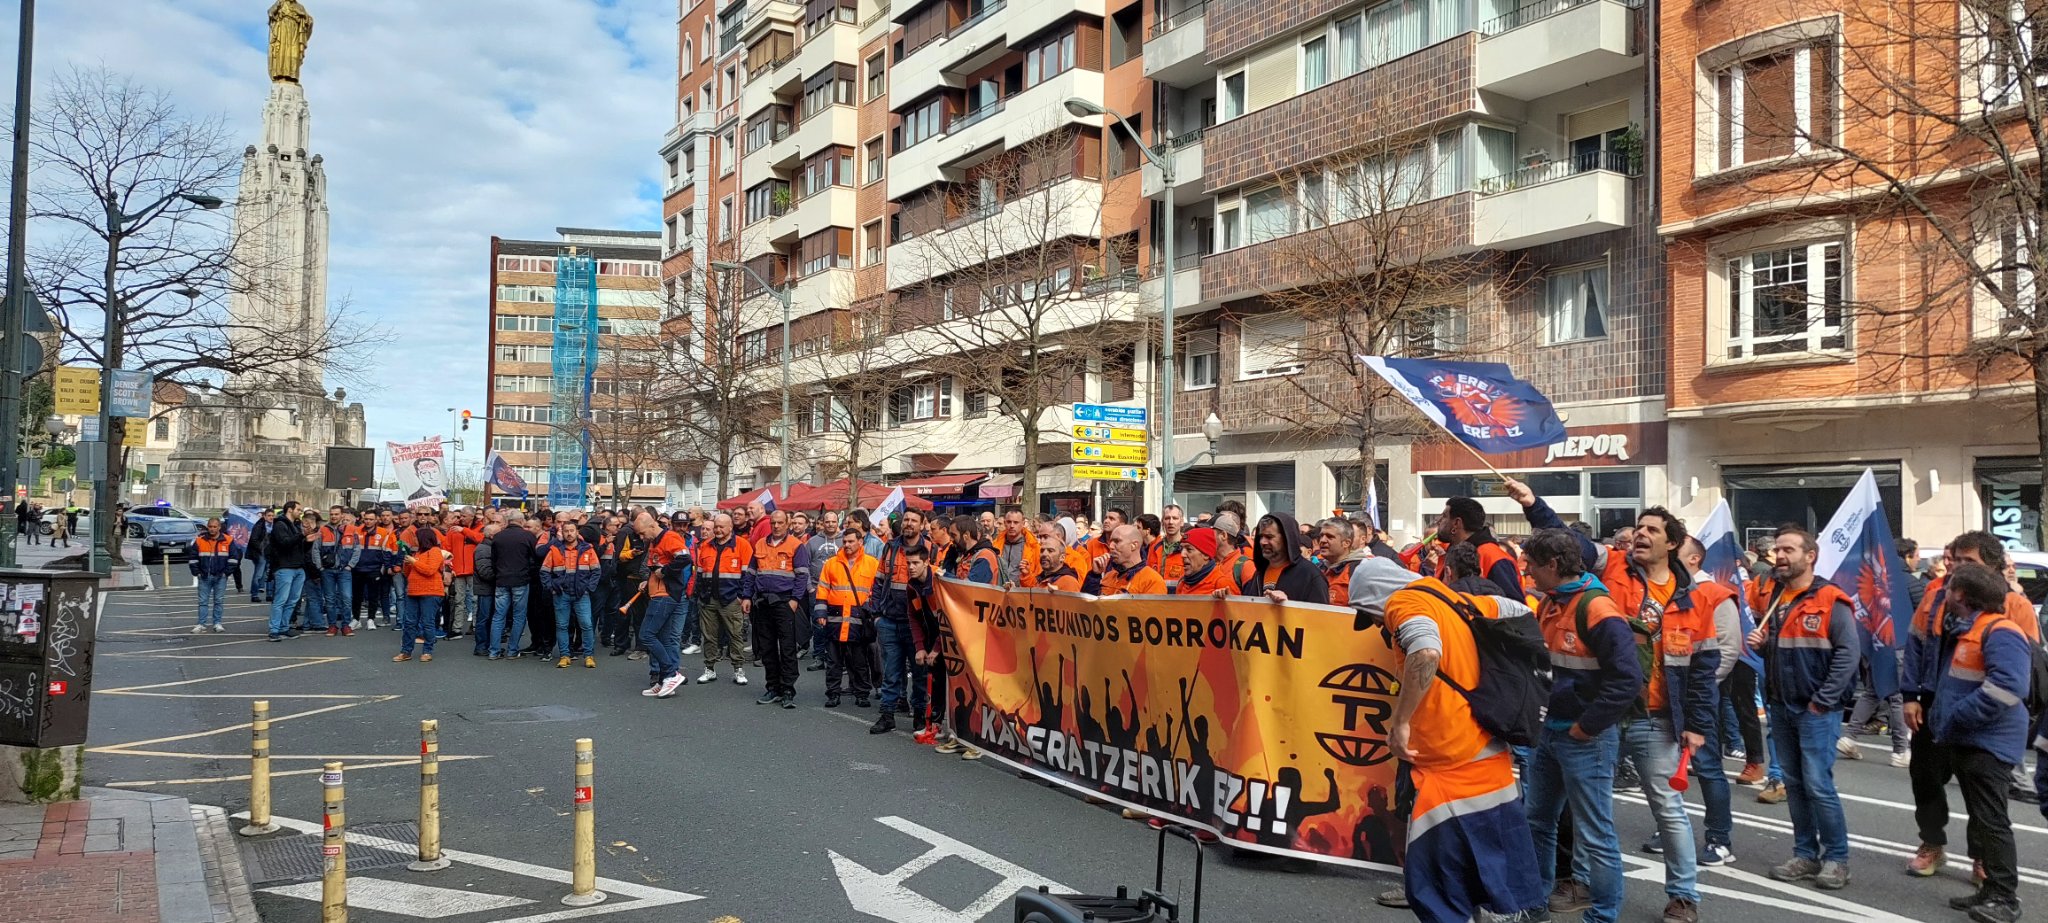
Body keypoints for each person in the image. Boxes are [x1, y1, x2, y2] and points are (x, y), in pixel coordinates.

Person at [1506, 480, 1716, 923]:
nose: (1639, 534)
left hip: (1654, 716)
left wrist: (1697, 724)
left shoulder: (1694, 598)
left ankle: (1682, 896)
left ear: (1673, 544)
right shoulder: (1612, 568)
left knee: (1663, 809)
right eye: (1638, 527)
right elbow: (1567, 542)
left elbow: (1702, 669)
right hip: (1588, 719)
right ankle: (1565, 890)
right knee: (1561, 818)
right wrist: (1531, 503)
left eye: (1651, 529)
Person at [1349, 557, 1546, 923]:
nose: (1375, 623)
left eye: (1369, 613)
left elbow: (1425, 650)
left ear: (1377, 595)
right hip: (1483, 748)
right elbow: (1520, 610)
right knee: (1486, 871)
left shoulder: (1402, 602)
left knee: (1437, 886)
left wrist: (1401, 722)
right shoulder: (1453, 599)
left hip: (1448, 762)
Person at [1520, 529, 1642, 923]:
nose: (1527, 571)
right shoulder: (1552, 603)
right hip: (1551, 733)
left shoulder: (1597, 610)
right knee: (1538, 821)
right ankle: (1534, 904)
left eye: (1532, 565)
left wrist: (1587, 727)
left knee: (1595, 833)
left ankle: (1602, 916)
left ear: (1553, 565)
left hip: (1583, 738)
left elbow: (1628, 679)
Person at [1904, 533, 2038, 879]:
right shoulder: (1936, 595)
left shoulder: (2015, 605)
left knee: (1981, 790)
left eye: (1968, 561)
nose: (1957, 566)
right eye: (1955, 559)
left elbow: (2025, 669)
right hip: (1933, 703)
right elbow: (1916, 645)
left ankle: (1983, 857)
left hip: (1983, 713)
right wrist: (1910, 697)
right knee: (1926, 778)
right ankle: (1932, 843)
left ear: (1991, 566)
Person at [1746, 525, 1859, 890]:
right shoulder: (1776, 597)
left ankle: (1837, 859)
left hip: (1815, 710)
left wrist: (1823, 701)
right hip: (1781, 705)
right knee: (1794, 784)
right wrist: (1764, 644)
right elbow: (1788, 651)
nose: (1779, 556)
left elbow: (1848, 654)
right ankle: (1805, 854)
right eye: (1777, 550)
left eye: (1788, 550)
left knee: (1818, 785)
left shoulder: (1830, 599)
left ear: (1810, 556)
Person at [1675, 535, 1745, 869]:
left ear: (1694, 559)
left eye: (1676, 550)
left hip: (1700, 696)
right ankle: (1671, 830)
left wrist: (1699, 688)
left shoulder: (1716, 595)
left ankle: (1719, 839)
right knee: (1665, 768)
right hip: (1669, 696)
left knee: (1707, 767)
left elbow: (1728, 649)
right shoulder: (1668, 591)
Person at [870, 511, 930, 734]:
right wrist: (877, 614)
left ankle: (920, 717)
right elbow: (878, 581)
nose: (909, 524)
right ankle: (887, 715)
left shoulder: (930, 548)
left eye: (914, 520)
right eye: (906, 520)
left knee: (920, 674)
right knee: (891, 672)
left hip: (918, 624)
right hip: (889, 620)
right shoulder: (890, 547)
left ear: (922, 525)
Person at [743, 510, 811, 708]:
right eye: (773, 523)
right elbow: (751, 573)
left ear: (787, 524)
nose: (776, 526)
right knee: (767, 648)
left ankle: (788, 689)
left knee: (787, 647)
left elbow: (802, 575)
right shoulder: (760, 544)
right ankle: (773, 687)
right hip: (763, 602)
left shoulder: (796, 545)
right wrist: (747, 596)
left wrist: (795, 599)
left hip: (784, 602)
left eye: (780, 523)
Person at [816, 525, 878, 709]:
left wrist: (872, 610)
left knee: (859, 661)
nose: (847, 545)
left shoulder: (872, 563)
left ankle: (862, 693)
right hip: (835, 620)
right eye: (845, 541)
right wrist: (820, 613)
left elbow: (877, 590)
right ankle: (833, 693)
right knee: (833, 662)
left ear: (860, 542)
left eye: (851, 541)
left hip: (859, 620)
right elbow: (823, 589)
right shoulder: (831, 563)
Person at [1417, 497, 1523, 599]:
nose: (1439, 521)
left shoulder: (1494, 558)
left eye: (1444, 516)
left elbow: (1514, 605)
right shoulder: (1448, 552)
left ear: (1456, 523)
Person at [693, 512, 752, 686]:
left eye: (721, 527)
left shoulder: (742, 545)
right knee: (709, 636)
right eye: (716, 527)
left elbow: (748, 575)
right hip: (708, 599)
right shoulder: (705, 546)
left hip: (731, 599)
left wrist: (742, 596)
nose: (717, 530)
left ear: (730, 527)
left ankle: (738, 669)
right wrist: (699, 595)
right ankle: (709, 668)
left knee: (735, 635)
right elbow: (700, 573)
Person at [542, 518, 601, 669]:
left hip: (581, 594)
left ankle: (589, 656)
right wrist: (551, 588)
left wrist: (589, 588)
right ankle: (564, 656)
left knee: (586, 625)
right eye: (566, 531)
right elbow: (544, 572)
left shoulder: (588, 549)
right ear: (562, 533)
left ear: (577, 532)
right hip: (561, 594)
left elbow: (596, 571)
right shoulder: (554, 550)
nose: (569, 534)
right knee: (562, 626)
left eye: (571, 531)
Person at [1236, 513, 1326, 604]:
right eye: (1261, 536)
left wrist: (1287, 604)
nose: (1263, 542)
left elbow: (1320, 612)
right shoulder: (1259, 574)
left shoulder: (1310, 575)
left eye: (1269, 537)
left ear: (1286, 538)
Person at [486, 512, 541, 660]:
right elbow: (535, 557)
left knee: (498, 616)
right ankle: (512, 650)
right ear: (521, 521)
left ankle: (494, 651)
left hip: (501, 579)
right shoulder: (528, 536)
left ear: (508, 521)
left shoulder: (498, 536)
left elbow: (493, 560)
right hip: (521, 579)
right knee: (519, 616)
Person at [264, 505, 315, 642]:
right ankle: (274, 630)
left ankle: (284, 627)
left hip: (298, 566)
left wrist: (308, 541)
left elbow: (299, 547)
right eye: (298, 509)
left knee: (292, 601)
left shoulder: (295, 525)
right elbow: (284, 543)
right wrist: (302, 535)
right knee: (281, 600)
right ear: (290, 510)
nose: (300, 512)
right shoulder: (280, 525)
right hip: (284, 567)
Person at [394, 528, 446, 662]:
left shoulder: (435, 551)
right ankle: (406, 651)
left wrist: (414, 562)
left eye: (416, 538)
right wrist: (407, 564)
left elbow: (430, 570)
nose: (414, 540)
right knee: (409, 622)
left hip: (431, 592)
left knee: (428, 622)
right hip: (413, 591)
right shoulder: (417, 553)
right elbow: (407, 573)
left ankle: (427, 651)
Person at [1082, 524, 1167, 595]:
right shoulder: (1109, 576)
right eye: (1111, 541)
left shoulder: (1152, 581)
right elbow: (1087, 605)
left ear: (1134, 545)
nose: (1111, 546)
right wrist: (1094, 576)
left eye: (1117, 541)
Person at [190, 518, 237, 633]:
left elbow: (234, 558)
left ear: (219, 527)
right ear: (207, 527)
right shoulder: (199, 540)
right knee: (203, 602)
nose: (212, 529)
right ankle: (201, 624)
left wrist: (226, 573)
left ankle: (217, 623)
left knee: (218, 601)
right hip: (204, 576)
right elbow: (193, 558)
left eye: (215, 527)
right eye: (210, 526)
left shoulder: (228, 540)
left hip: (220, 576)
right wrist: (197, 572)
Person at [1317, 517, 1369, 602]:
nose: (1322, 540)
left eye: (1330, 537)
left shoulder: (1360, 570)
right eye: (1321, 536)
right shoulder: (1318, 568)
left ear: (1346, 543)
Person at [991, 508, 1038, 588]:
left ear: (1023, 523)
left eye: (1016, 522)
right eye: (1009, 522)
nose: (1012, 526)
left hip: (1022, 592)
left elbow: (1038, 578)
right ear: (1005, 523)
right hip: (998, 591)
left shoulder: (1034, 547)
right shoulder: (995, 545)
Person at [1032, 520, 1083, 591]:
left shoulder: (1069, 581)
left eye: (1046, 537)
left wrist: (1059, 594)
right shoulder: (1042, 575)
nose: (1042, 541)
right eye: (1042, 551)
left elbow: (1078, 588)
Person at [1150, 504, 1187, 591]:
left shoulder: (1189, 547)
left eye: (1175, 518)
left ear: (1182, 522)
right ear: (1162, 522)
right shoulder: (1154, 547)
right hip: (1157, 595)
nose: (1171, 522)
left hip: (1180, 596)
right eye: (1167, 518)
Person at [249, 508, 275, 604]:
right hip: (261, 553)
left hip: (271, 553)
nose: (271, 517)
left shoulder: (275, 526)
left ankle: (269, 594)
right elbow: (253, 540)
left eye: (272, 516)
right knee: (259, 574)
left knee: (269, 573)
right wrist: (261, 549)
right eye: (269, 516)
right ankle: (254, 594)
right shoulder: (259, 526)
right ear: (264, 516)